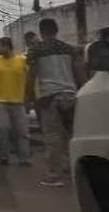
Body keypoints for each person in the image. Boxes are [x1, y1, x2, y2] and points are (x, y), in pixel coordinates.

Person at [27, 18, 86, 187]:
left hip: (50, 98)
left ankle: (54, 175)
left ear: (41, 31)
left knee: (53, 138)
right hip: (71, 96)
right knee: (71, 135)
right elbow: (80, 73)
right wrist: (82, 91)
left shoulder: (36, 51)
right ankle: (74, 169)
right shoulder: (69, 49)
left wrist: (30, 97)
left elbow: (31, 76)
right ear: (56, 30)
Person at [0, 37, 31, 166]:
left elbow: (29, 80)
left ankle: (24, 159)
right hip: (1, 102)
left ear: (7, 46)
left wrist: (29, 98)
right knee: (3, 129)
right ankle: (4, 157)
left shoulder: (22, 60)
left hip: (19, 101)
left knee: (22, 131)